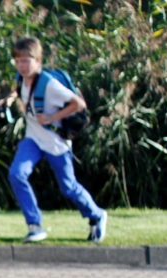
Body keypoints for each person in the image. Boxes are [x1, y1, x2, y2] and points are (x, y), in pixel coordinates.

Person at [7, 36, 107, 244]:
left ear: (38, 61)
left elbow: (79, 104)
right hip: (33, 139)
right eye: (17, 61)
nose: (21, 66)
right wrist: (7, 100)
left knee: (68, 187)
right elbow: (18, 91)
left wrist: (52, 118)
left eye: (26, 61)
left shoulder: (50, 84)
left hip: (55, 142)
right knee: (17, 174)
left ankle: (96, 215)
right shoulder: (21, 78)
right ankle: (34, 225)